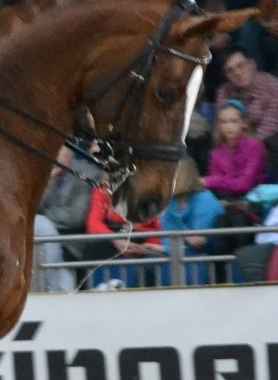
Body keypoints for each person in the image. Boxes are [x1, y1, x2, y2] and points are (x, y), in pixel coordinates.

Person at [84, 183, 167, 287]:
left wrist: (146, 247)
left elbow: (157, 227)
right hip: (114, 237)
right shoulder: (103, 190)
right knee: (95, 249)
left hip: (143, 241)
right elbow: (94, 223)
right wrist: (116, 240)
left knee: (152, 264)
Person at [161, 155, 224, 285]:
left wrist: (161, 247)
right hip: (174, 251)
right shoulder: (169, 202)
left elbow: (197, 241)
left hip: (206, 254)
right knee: (151, 262)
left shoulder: (205, 199)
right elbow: (166, 232)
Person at [203, 99, 268, 201]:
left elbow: (245, 184)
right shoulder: (217, 151)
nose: (228, 126)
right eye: (224, 122)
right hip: (224, 196)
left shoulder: (254, 147)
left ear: (244, 123)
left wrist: (211, 181)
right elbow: (214, 182)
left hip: (251, 199)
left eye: (233, 121)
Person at [214, 49, 278, 143]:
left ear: (253, 65)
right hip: (234, 143)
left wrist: (246, 147)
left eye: (241, 66)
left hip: (268, 143)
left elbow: (270, 128)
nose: (237, 73)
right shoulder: (224, 92)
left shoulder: (273, 88)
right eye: (230, 71)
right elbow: (223, 126)